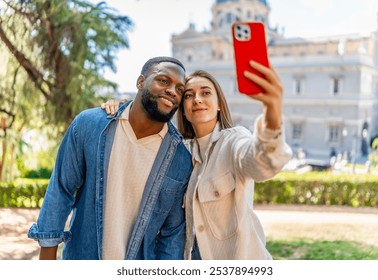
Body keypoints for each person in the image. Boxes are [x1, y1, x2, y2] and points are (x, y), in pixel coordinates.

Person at [102, 60, 292, 259]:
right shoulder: (177, 154)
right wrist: (120, 110)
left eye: (206, 93)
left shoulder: (233, 141)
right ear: (182, 108)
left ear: (219, 105)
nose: (197, 99)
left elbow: (261, 165)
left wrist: (272, 113)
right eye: (189, 95)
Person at [28, 57, 193, 260]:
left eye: (179, 89)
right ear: (141, 82)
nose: (172, 91)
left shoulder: (181, 159)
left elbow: (172, 233)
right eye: (164, 81)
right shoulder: (89, 126)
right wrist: (47, 255)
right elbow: (61, 189)